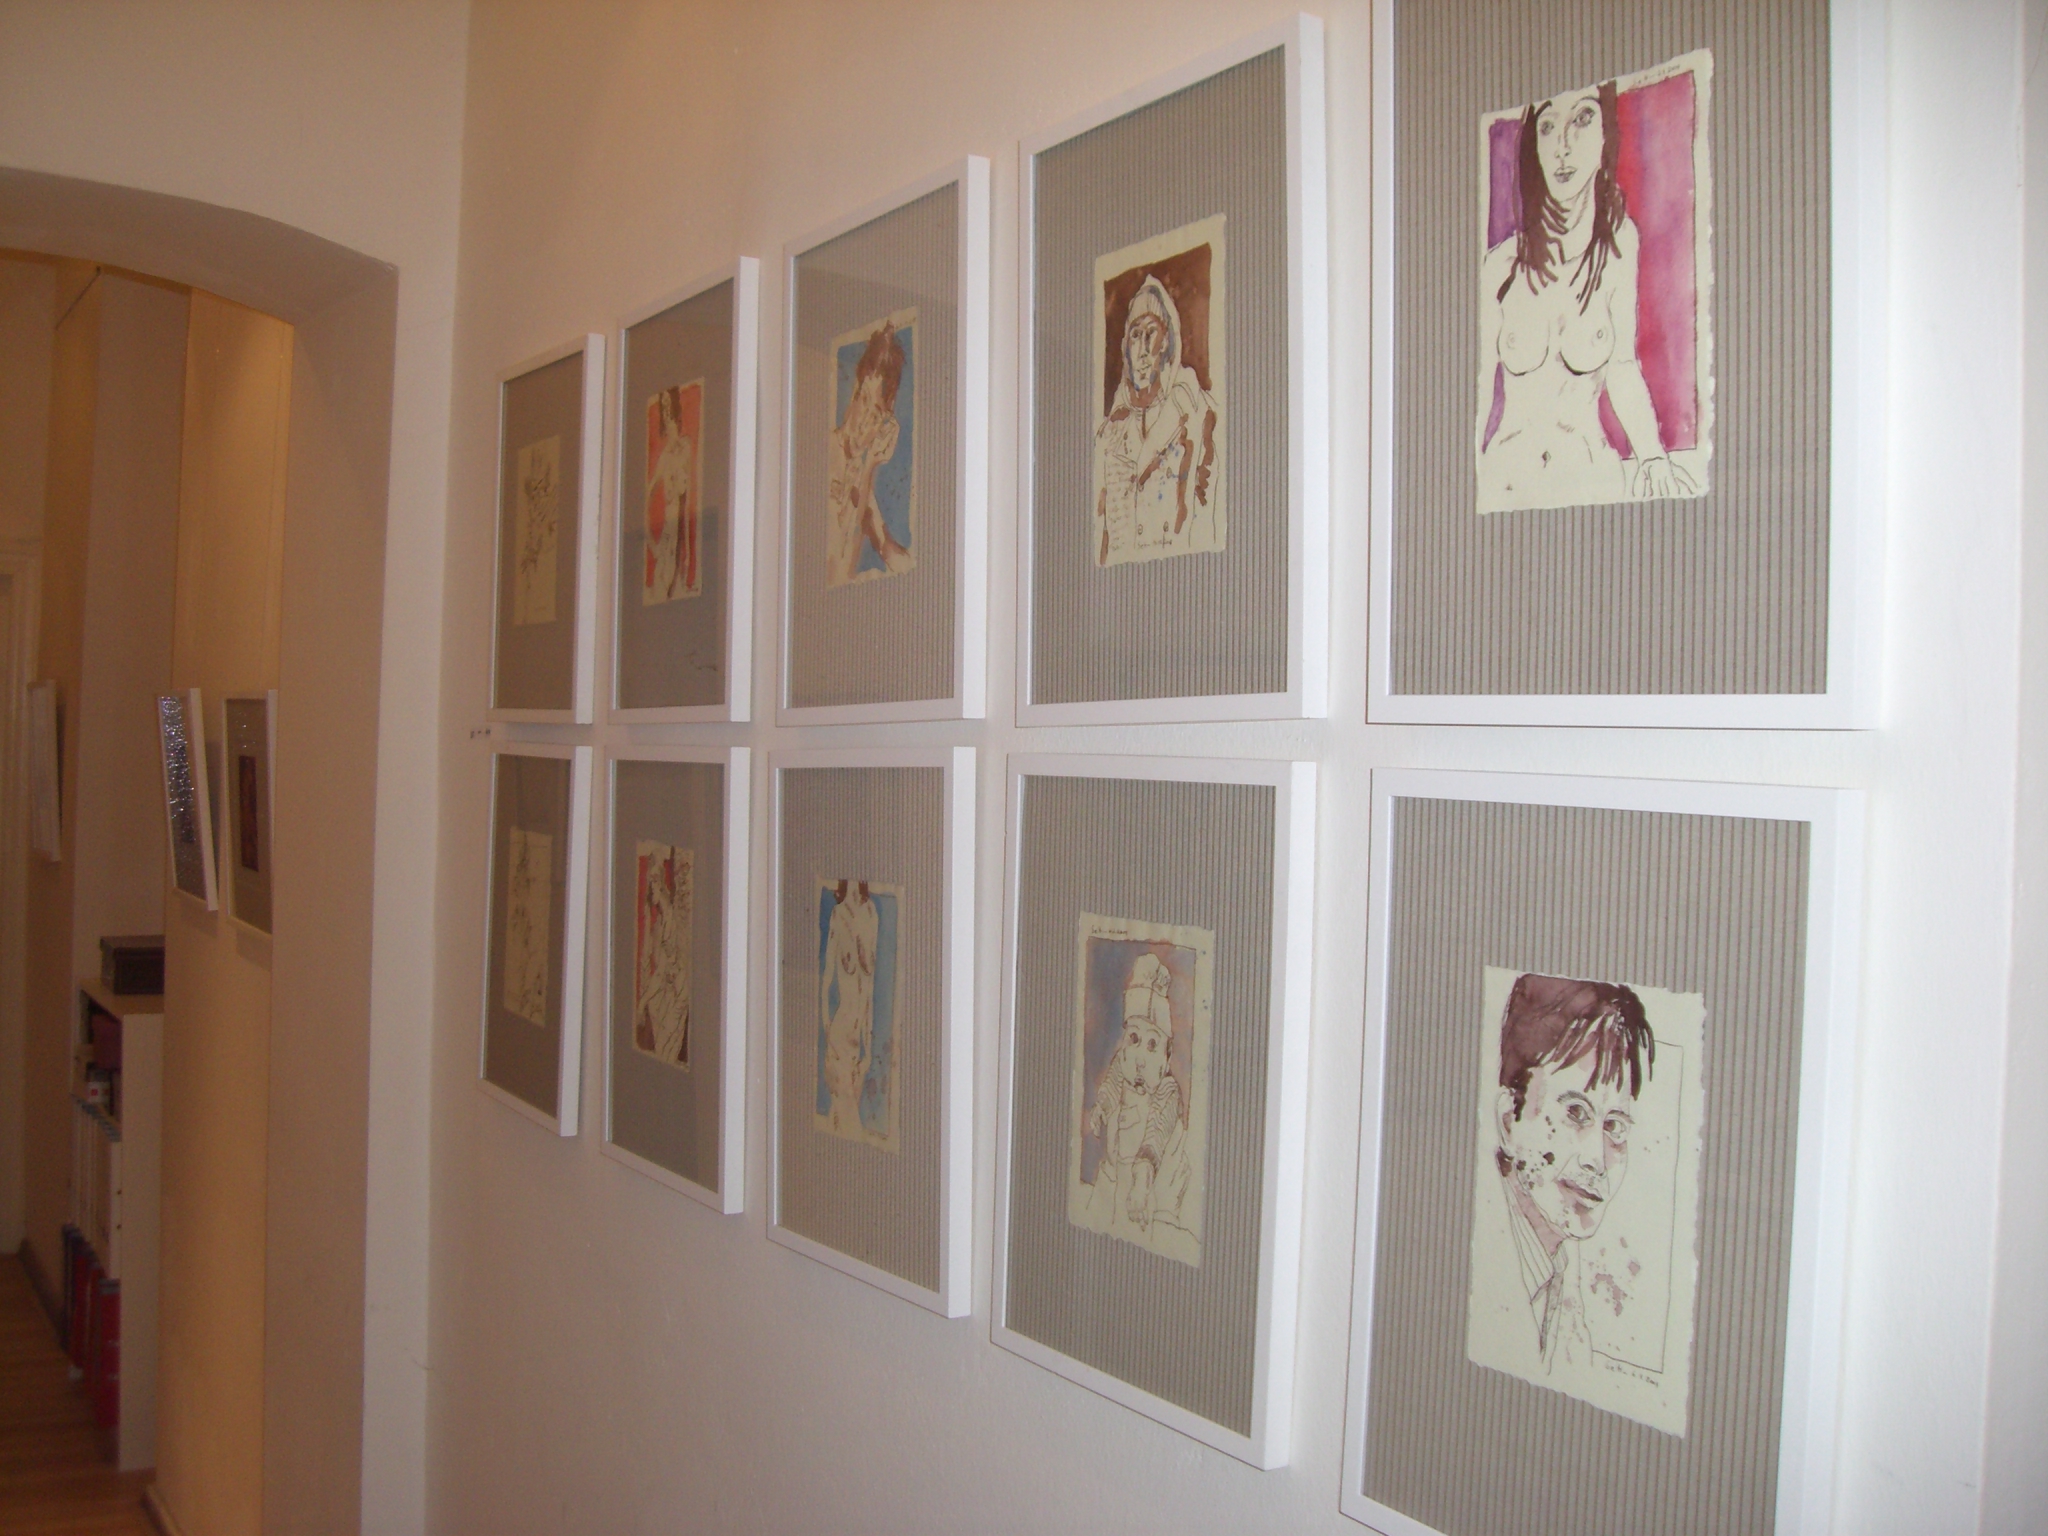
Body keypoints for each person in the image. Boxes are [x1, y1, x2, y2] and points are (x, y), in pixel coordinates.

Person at [1476, 79, 1696, 511]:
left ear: (1605, 135)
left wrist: (1653, 458)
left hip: (1593, 482)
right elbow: (1479, 391)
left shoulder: (1618, 248)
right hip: (1508, 486)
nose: (1562, 146)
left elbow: (1622, 367)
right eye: (1547, 127)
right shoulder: (1501, 266)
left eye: (1582, 118)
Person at [1487, 972, 1653, 1371]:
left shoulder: (1566, 1280)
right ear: (1510, 1120)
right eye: (1576, 1112)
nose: (1597, 1158)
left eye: (1614, 1127)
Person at [1094, 274, 1220, 564]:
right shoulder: (1110, 431)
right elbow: (1099, 532)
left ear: (1166, 343)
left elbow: (1207, 514)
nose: (1142, 349)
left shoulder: (1194, 411)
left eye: (1151, 333)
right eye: (1135, 335)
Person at [1080, 952, 1197, 1261]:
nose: (1140, 1058)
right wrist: (1101, 1108)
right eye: (1133, 1039)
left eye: (1152, 1045)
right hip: (1116, 1174)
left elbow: (1156, 1135)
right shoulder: (1123, 1064)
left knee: (1140, 1240)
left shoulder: (1167, 1091)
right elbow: (1111, 1084)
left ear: (1166, 1058)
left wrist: (1142, 1180)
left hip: (1151, 1186)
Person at [826, 324, 913, 586]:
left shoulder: (858, 475)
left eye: (875, 415)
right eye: (863, 400)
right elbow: (837, 567)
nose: (864, 421)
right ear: (855, 393)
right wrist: (869, 467)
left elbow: (887, 548)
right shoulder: (828, 454)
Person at [819, 880, 880, 1137]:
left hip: (859, 1040)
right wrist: (826, 1029)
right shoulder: (838, 914)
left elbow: (870, 990)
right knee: (850, 1122)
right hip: (840, 1034)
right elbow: (826, 979)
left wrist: (868, 1046)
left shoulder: (871, 914)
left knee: (841, 1121)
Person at [643, 387, 696, 603]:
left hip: (678, 533)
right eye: (662, 405)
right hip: (667, 532)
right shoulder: (664, 457)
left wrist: (688, 553)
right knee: (661, 587)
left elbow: (687, 501)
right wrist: (652, 544)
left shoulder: (685, 447)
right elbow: (648, 495)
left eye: (668, 404)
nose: (666, 411)